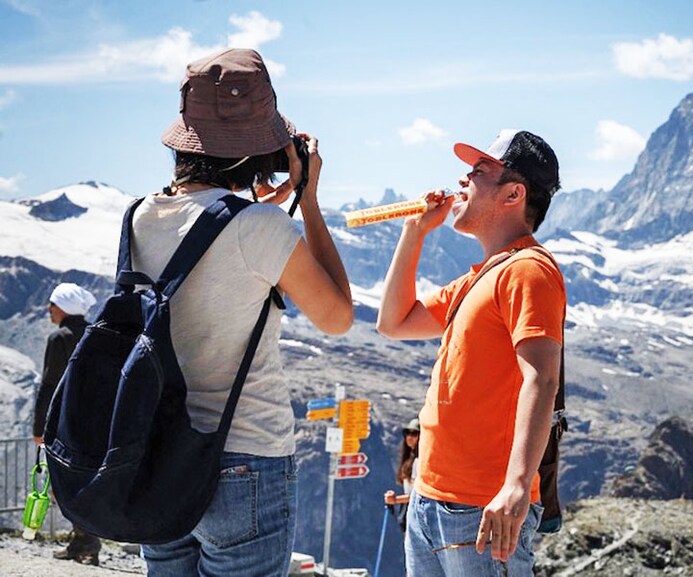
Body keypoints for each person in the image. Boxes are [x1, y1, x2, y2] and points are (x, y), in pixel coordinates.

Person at [133, 48, 353, 576]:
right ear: (258, 148)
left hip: (156, 453)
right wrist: (309, 198)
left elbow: (208, 241)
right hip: (245, 460)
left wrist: (261, 210)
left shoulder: (139, 216)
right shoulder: (258, 229)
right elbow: (337, 316)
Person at [377, 129, 565, 576]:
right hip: (431, 498)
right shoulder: (481, 276)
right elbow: (394, 322)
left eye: (479, 171)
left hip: (482, 507)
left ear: (513, 194)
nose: (462, 180)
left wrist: (517, 486)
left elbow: (542, 377)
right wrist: (414, 232)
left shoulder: (527, 270)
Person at [32, 282, 101, 565]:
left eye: (52, 304)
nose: (49, 309)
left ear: (61, 307)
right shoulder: (97, 334)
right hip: (96, 421)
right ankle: (84, 538)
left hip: (64, 422)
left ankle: (85, 539)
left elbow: (49, 385)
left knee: (62, 482)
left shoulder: (59, 338)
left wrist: (39, 427)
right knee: (87, 479)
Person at [384, 417, 421, 534]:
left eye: (414, 433)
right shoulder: (411, 458)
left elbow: (418, 494)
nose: (409, 437)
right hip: (410, 509)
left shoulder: (419, 461)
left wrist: (395, 500)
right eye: (407, 433)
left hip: (416, 511)